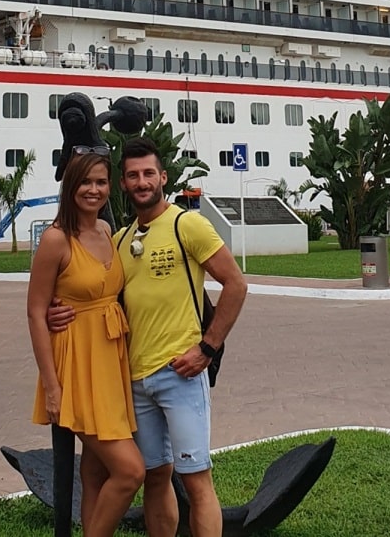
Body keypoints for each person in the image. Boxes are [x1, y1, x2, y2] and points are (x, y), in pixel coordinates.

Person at [48, 137, 247, 537]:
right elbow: (94, 288)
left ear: (163, 177)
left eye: (148, 174)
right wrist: (58, 308)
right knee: (155, 477)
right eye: (133, 175)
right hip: (133, 382)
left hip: (180, 373)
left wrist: (207, 348)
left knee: (197, 480)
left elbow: (236, 284)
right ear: (123, 183)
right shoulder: (120, 240)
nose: (142, 182)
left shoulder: (186, 224)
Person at [28, 151, 144, 537]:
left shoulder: (107, 231)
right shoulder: (56, 239)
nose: (93, 190)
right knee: (130, 471)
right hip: (76, 367)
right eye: (85, 182)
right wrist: (52, 388)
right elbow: (35, 313)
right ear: (70, 186)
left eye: (101, 182)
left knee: (95, 471)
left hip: (110, 361)